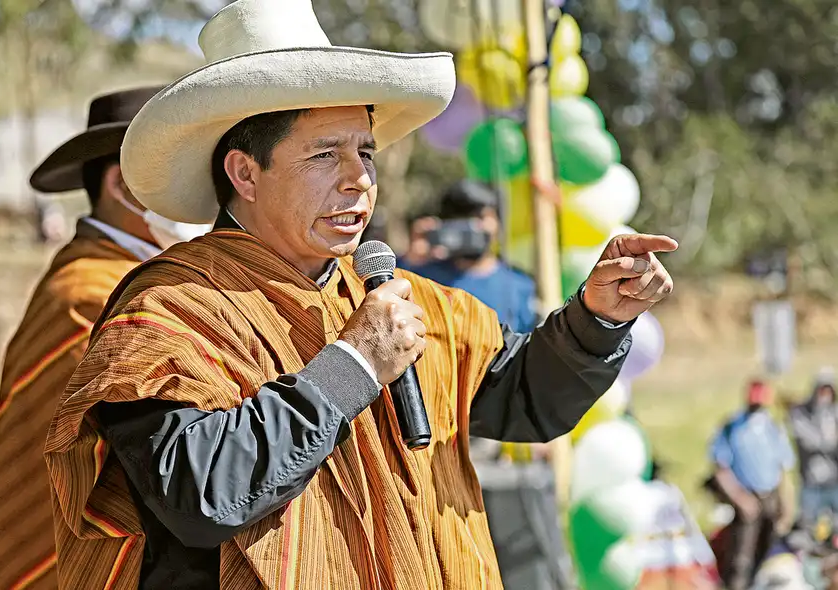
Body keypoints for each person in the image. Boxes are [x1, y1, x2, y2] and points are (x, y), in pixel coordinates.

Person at [43, 1, 677, 587]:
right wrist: (353, 367)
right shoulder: (168, 311)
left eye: (365, 152)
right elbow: (201, 494)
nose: (358, 180)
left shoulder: (394, 298)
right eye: (325, 154)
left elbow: (519, 397)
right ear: (244, 172)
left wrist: (597, 318)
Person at [0, 86, 210, 590]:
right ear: (122, 187)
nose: (194, 198)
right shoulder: (87, 293)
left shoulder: (128, 279)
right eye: (177, 178)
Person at [405, 179, 538, 332]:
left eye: (480, 217)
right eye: (462, 219)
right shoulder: (420, 279)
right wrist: (409, 260)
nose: (472, 228)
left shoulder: (520, 286)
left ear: (498, 223)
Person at [709, 380, 796, 589]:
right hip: (746, 498)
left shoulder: (772, 427)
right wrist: (739, 498)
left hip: (770, 497)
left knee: (767, 553)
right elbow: (720, 466)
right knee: (740, 559)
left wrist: (786, 503)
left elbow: (783, 467)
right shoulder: (732, 427)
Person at [790, 368, 838, 527]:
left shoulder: (834, 413)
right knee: (808, 528)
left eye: (828, 390)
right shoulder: (801, 414)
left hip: (834, 483)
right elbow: (809, 441)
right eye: (822, 390)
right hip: (811, 484)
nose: (825, 395)